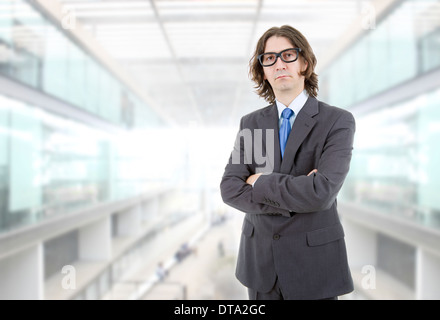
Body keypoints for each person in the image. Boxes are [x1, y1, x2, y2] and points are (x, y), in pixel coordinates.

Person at [220, 25, 355, 300]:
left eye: (288, 55)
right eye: (269, 58)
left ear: (304, 62)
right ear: (263, 70)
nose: (279, 63)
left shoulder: (337, 121)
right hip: (260, 269)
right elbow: (230, 188)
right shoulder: (251, 124)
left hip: (314, 268)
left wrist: (258, 182)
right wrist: (298, 190)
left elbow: (321, 193)